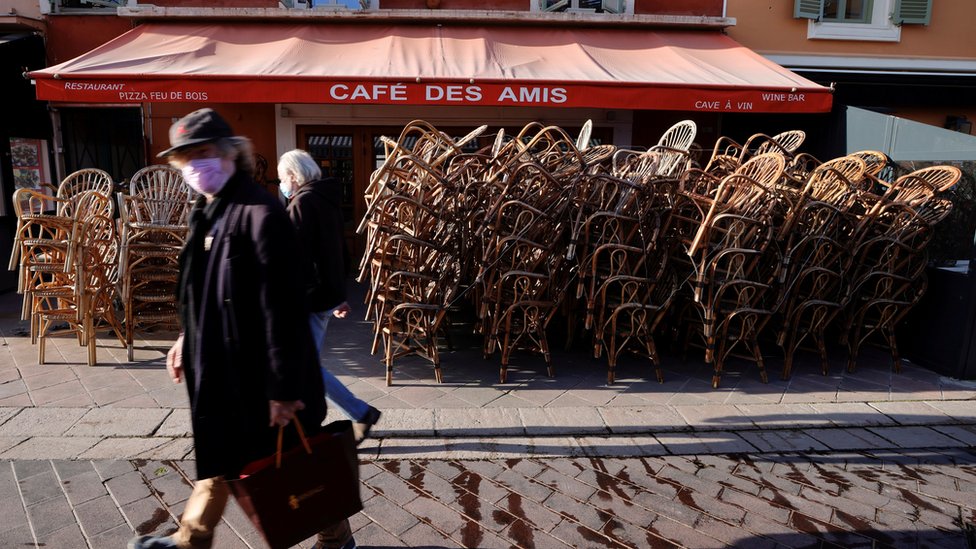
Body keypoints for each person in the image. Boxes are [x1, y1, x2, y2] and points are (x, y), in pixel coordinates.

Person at [128, 109, 356, 549]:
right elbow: (200, 292)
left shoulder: (261, 213)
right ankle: (331, 537)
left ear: (231, 154)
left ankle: (190, 542)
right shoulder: (207, 212)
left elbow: (283, 308)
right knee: (235, 461)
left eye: (205, 152)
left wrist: (284, 389)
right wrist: (184, 337)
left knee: (271, 463)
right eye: (187, 158)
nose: (196, 164)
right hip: (225, 374)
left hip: (260, 380)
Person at [277, 149, 381, 443]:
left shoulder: (303, 204)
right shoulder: (327, 201)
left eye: (283, 177)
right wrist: (338, 295)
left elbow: (296, 260)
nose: (281, 183)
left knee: (304, 366)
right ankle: (359, 413)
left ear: (294, 176)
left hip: (309, 298)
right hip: (324, 295)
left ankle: (359, 413)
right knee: (305, 364)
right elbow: (337, 253)